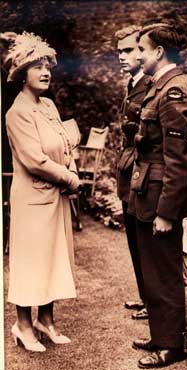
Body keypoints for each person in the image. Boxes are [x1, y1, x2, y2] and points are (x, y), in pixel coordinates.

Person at [4, 32, 80, 352]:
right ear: (22, 73)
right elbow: (35, 160)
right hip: (33, 198)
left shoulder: (48, 105)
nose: (46, 71)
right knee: (30, 261)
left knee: (53, 258)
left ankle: (46, 321)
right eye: (37, 66)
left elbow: (65, 141)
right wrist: (70, 178)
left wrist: (72, 168)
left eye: (48, 64)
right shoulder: (16, 112)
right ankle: (23, 326)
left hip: (55, 197)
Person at [128, 23, 187, 368]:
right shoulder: (160, 86)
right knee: (152, 269)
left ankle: (171, 345)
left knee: (165, 270)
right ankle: (161, 334)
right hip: (147, 190)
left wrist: (167, 212)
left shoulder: (174, 90)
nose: (137, 55)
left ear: (158, 52)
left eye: (141, 49)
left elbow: (180, 158)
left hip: (160, 196)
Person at [115, 25, 150, 320]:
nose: (122, 57)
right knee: (133, 237)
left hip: (142, 170)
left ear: (142, 51)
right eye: (119, 52)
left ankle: (154, 301)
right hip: (128, 169)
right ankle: (145, 295)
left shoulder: (151, 84)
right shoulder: (132, 83)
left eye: (128, 50)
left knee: (145, 239)